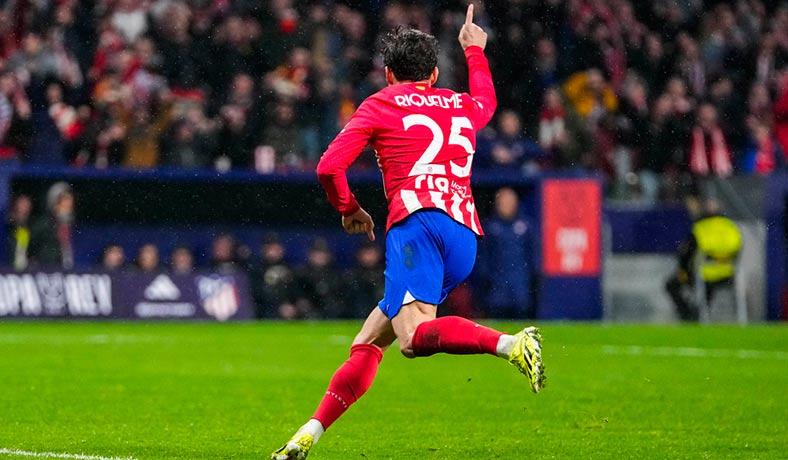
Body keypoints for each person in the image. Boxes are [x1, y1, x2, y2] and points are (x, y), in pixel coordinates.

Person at [271, 8, 544, 459]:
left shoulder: (380, 102)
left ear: (388, 72)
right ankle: (308, 435)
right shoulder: (460, 104)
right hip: (462, 235)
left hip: (417, 225)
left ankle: (510, 343)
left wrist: (349, 208)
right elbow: (488, 103)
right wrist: (475, 51)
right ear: (434, 74)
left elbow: (328, 167)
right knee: (368, 342)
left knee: (413, 339)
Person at [665, 200, 742, 321]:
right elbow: (738, 251)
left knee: (671, 285)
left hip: (704, 275)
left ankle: (688, 315)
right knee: (706, 290)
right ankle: (697, 313)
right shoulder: (731, 227)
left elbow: (686, 254)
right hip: (728, 275)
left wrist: (683, 271)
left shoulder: (701, 228)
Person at [477, 188, 535, 318]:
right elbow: (484, 259)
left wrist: (532, 279)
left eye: (510, 202)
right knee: (497, 324)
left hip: (520, 285)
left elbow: (532, 256)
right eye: (503, 202)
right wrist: (486, 280)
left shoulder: (525, 226)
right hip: (497, 287)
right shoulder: (490, 227)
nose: (507, 206)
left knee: (522, 322)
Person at [28, 182, 75, 269]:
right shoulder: (42, 225)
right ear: (54, 204)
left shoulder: (69, 227)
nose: (69, 208)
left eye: (70, 205)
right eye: (65, 204)